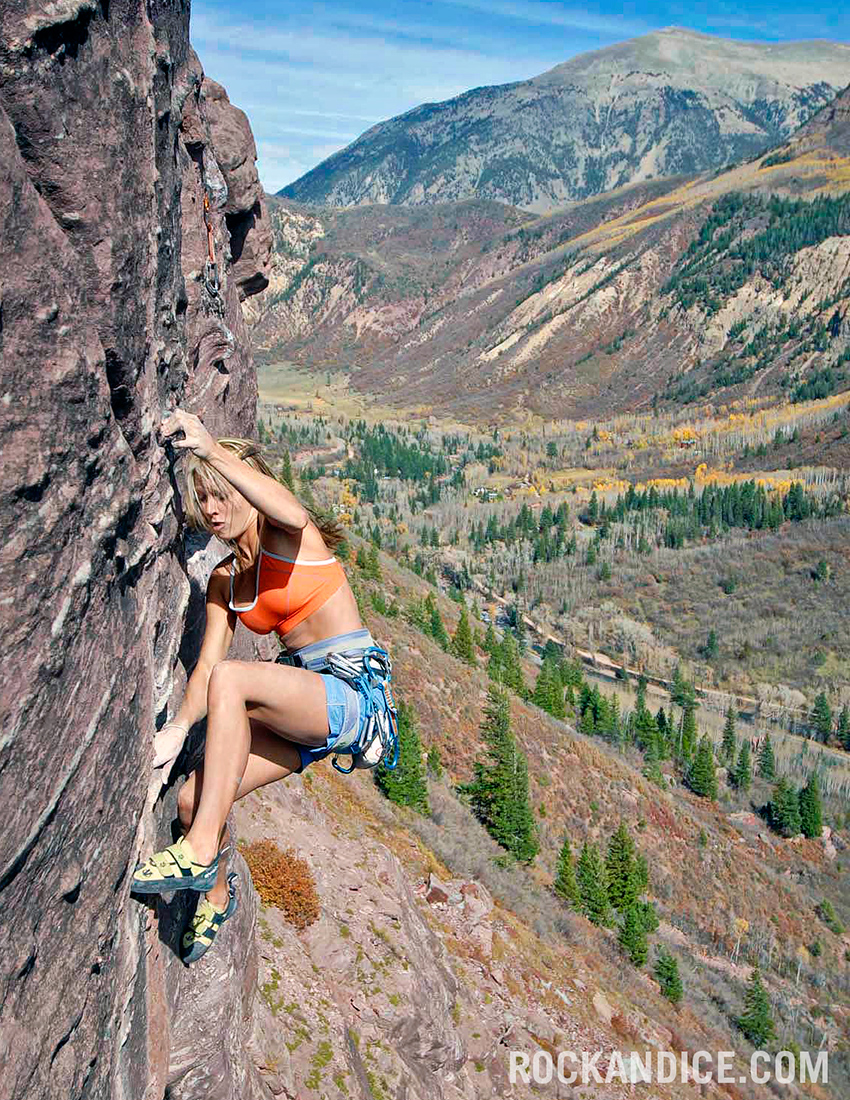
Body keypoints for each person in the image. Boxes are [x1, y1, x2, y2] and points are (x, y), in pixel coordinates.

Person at [132, 408, 397, 963]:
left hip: (352, 698)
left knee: (235, 682)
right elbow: (206, 667)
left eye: (222, 493)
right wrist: (178, 730)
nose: (212, 508)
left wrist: (207, 449)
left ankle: (200, 851)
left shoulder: (290, 538)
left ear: (248, 488)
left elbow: (292, 509)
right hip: (302, 705)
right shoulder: (226, 579)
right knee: (191, 801)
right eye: (202, 499)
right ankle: (215, 888)